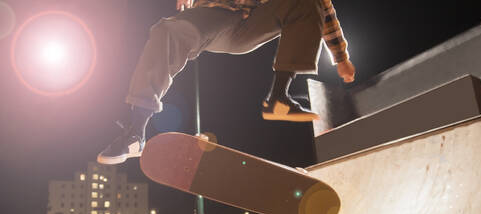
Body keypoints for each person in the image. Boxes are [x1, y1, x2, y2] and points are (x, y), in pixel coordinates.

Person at [97, 0, 355, 165]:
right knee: (168, 31)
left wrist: (340, 56)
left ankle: (279, 98)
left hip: (251, 23)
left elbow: (325, 8)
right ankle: (136, 131)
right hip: (215, 13)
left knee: (307, 3)